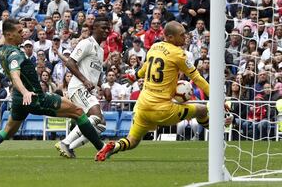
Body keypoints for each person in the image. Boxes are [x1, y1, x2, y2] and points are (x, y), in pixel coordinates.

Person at [0, 19, 107, 159]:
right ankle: (102, 148)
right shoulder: (15, 54)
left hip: (18, 100)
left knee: (7, 131)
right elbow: (15, 75)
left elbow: (3, 34)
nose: (24, 34)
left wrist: (12, 23)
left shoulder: (0, 48)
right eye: (19, 32)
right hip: (35, 97)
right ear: (9, 35)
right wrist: (25, 91)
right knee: (79, 113)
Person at [95, 21, 230, 161]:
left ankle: (113, 146)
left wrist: (134, 76)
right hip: (162, 109)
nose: (185, 38)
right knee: (201, 110)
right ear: (170, 37)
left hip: (142, 107)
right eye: (182, 35)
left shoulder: (154, 47)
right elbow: (197, 78)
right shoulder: (178, 54)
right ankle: (218, 134)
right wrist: (218, 99)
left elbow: (144, 68)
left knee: (132, 141)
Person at [55, 16, 112, 158]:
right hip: (78, 87)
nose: (106, 30)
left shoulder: (100, 50)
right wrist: (85, 80)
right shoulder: (86, 43)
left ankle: (70, 147)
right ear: (94, 28)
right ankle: (65, 142)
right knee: (96, 116)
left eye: (108, 28)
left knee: (100, 125)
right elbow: (70, 63)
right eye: (103, 28)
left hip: (87, 89)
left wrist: (104, 86)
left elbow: (97, 74)